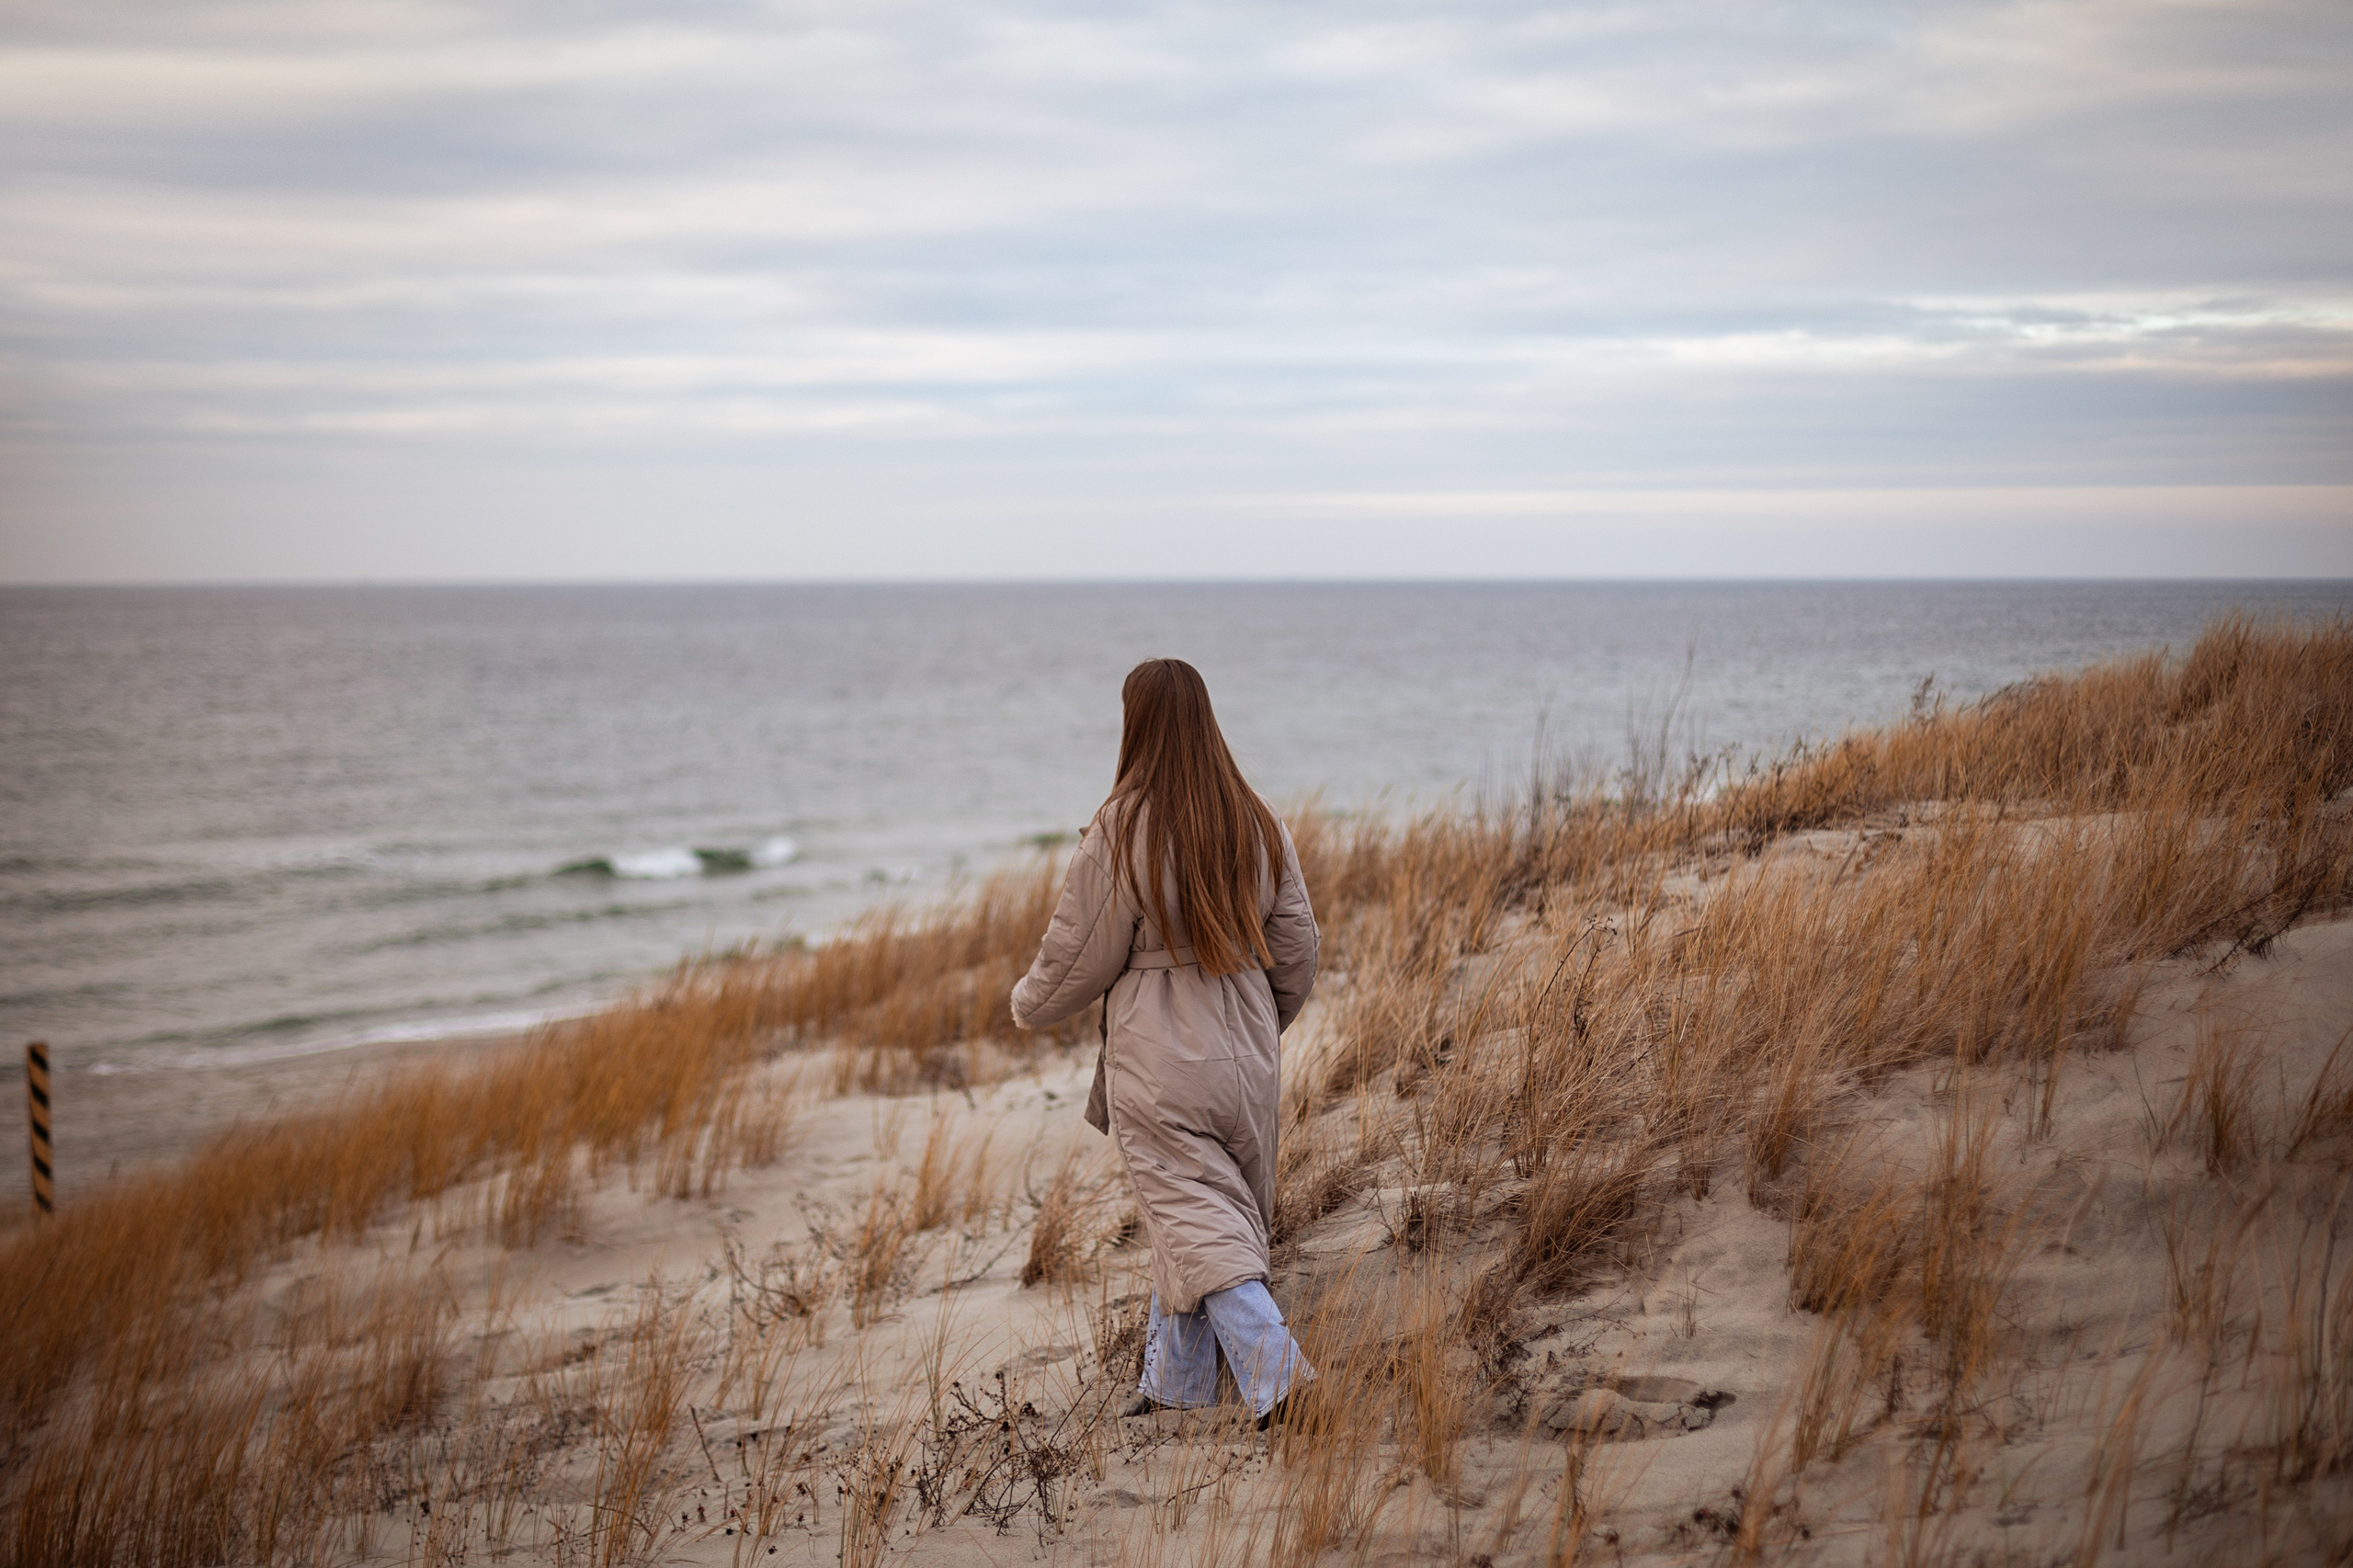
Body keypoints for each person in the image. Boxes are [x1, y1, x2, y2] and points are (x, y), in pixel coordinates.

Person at [1010, 657, 1321, 1427]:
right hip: (1248, 1048)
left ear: (1137, 721)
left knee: (1196, 1215)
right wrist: (1260, 1022)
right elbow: (1300, 946)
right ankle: (1176, 1385)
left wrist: (1026, 1004)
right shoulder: (1255, 816)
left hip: (1159, 1056)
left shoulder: (1123, 825)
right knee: (1206, 1212)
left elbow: (1078, 954)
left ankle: (1279, 1377)